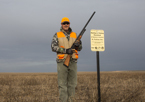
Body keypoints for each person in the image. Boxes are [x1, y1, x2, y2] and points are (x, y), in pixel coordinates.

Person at [51, 17, 82, 102]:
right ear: (61, 24)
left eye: (67, 23)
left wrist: (77, 44)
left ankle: (71, 100)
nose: (66, 25)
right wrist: (65, 51)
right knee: (62, 84)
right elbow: (53, 47)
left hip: (73, 61)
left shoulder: (75, 35)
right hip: (62, 62)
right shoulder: (57, 35)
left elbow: (80, 48)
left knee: (72, 84)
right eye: (64, 23)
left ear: (69, 24)